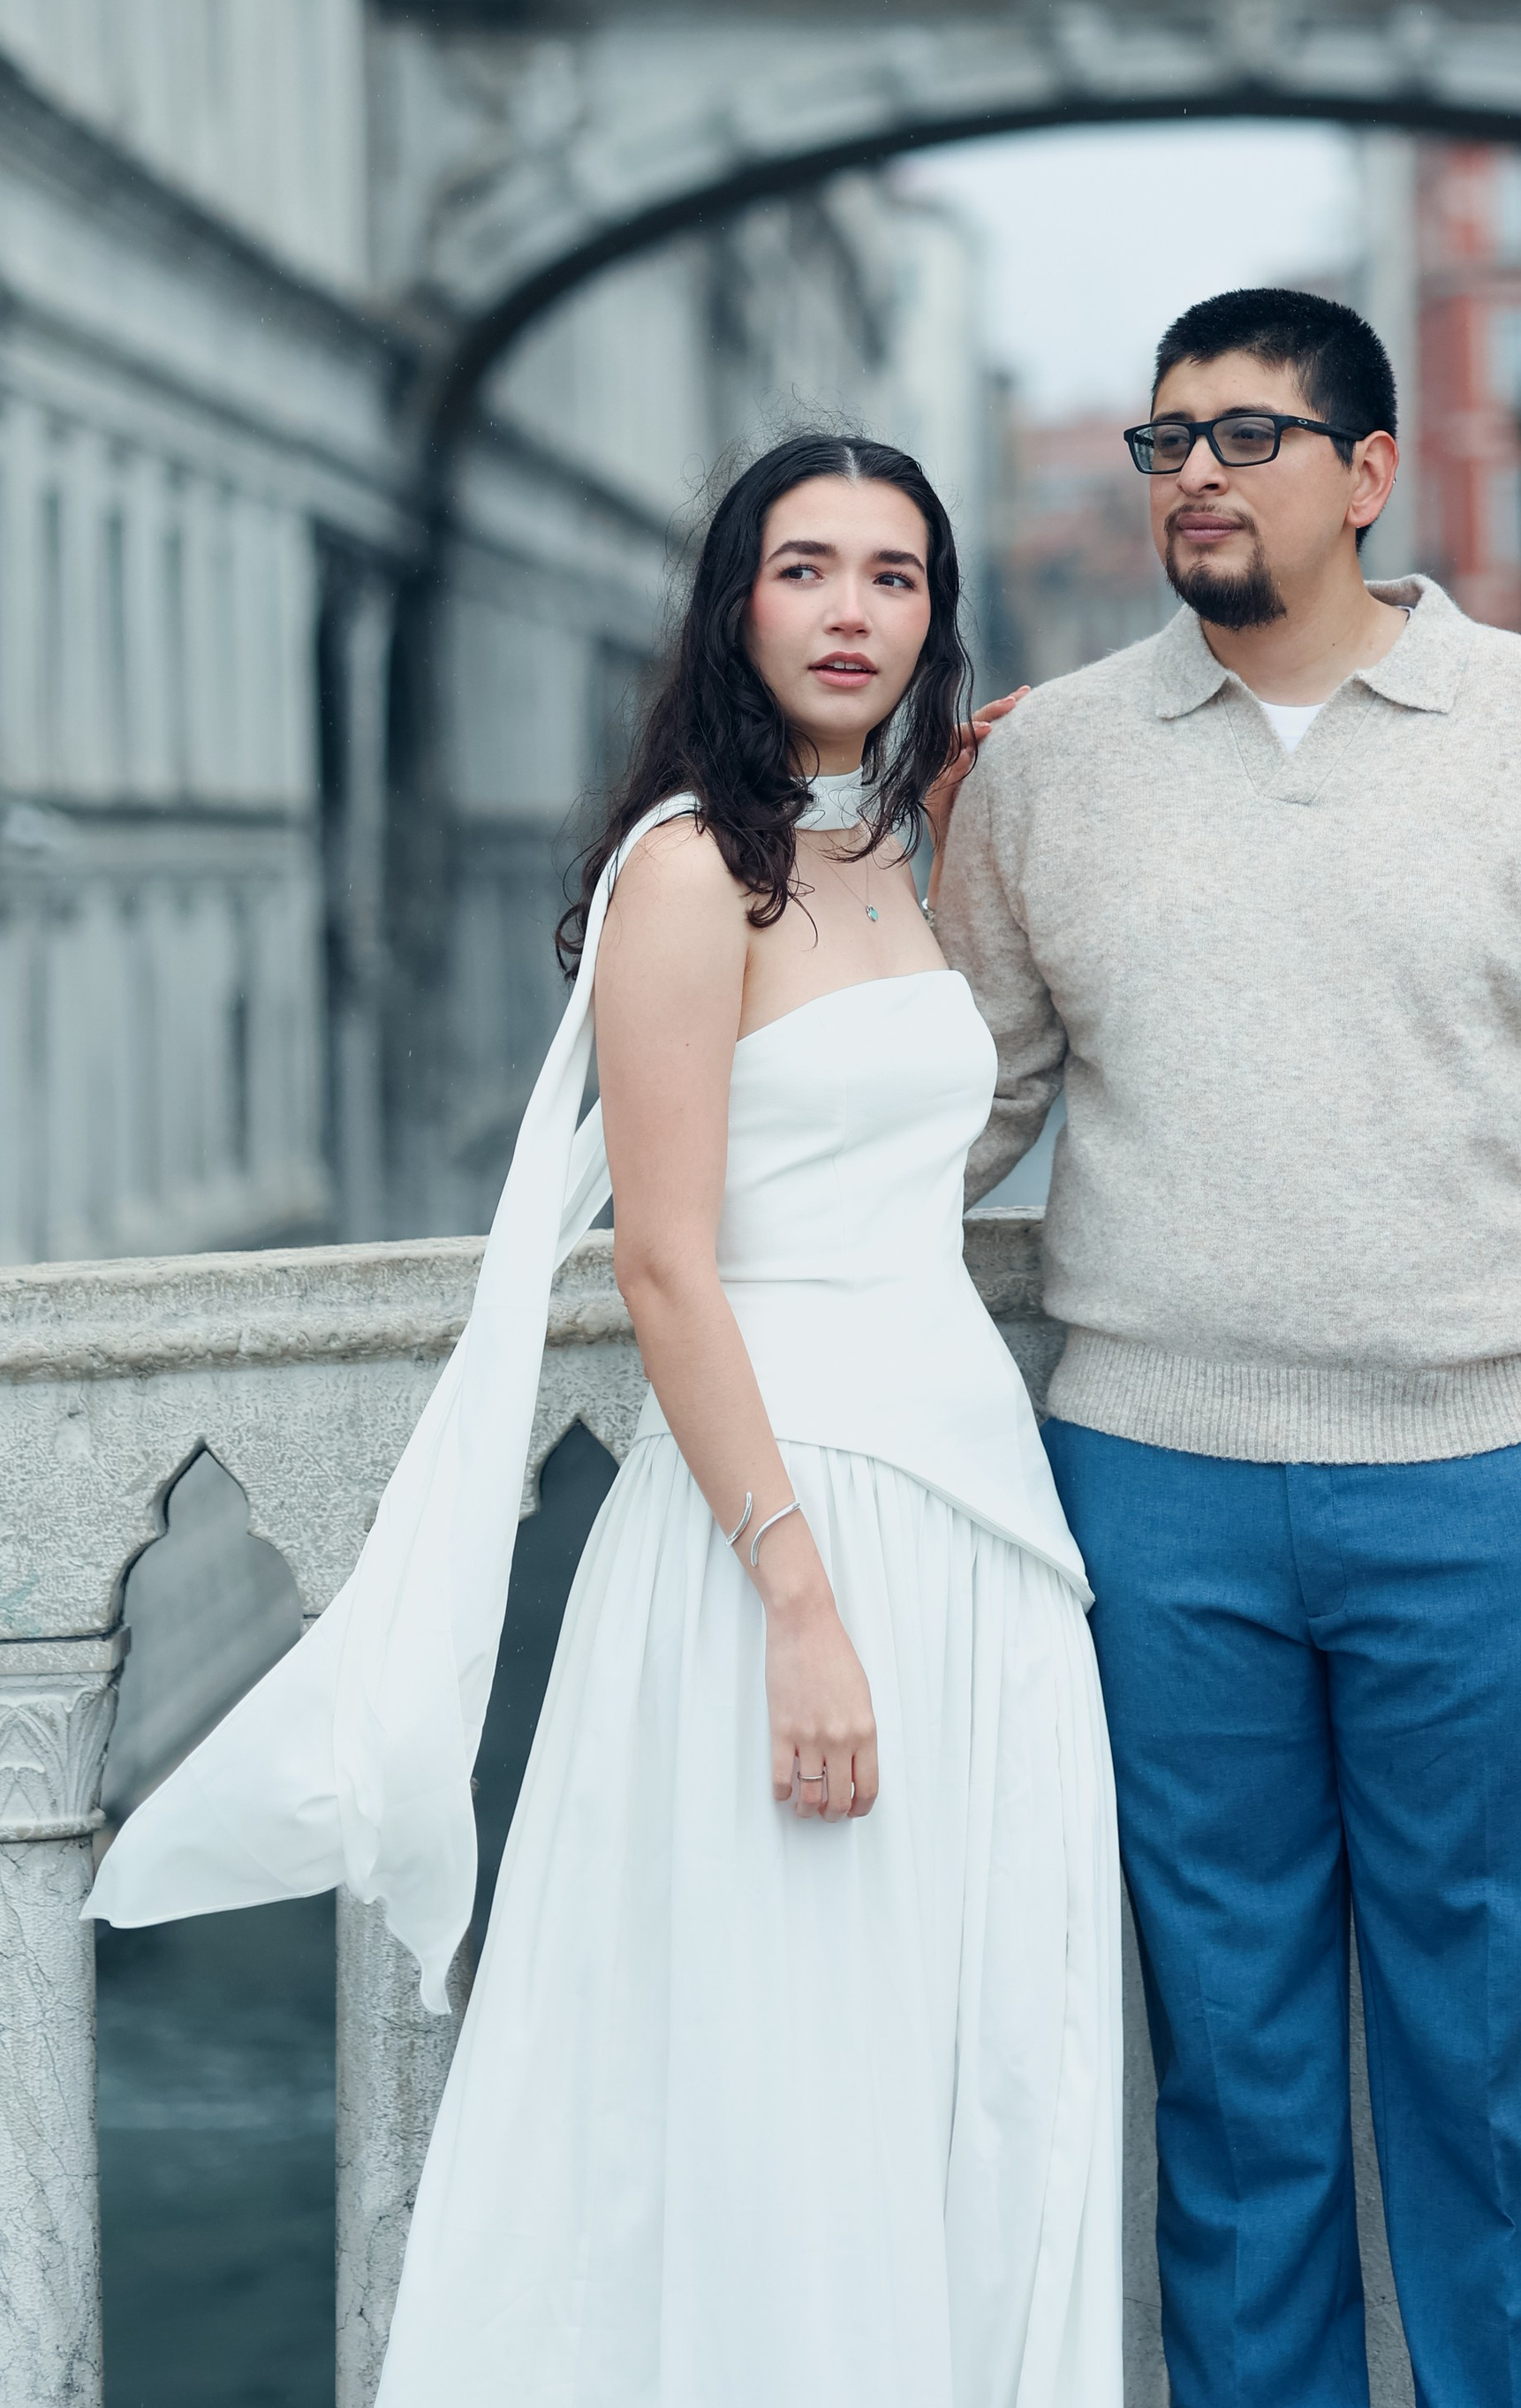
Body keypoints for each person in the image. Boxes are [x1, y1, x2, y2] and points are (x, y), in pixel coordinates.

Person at [91, 431, 1123, 2408]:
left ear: (934, 616)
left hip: (970, 1515)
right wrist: (797, 1605)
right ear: (735, 601)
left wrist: (958, 802)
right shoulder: (686, 870)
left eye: (892, 576)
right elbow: (666, 1268)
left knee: (972, 2060)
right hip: (786, 1528)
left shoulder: (891, 856)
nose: (850, 610)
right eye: (806, 567)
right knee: (782, 2074)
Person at [929, 286, 1521, 2408]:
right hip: (1150, 1495)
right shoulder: (1052, 768)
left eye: (1246, 437)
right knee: (1235, 2099)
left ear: (1367, 478)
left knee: (1492, 2104)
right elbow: (961, 1107)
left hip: (1487, 1499)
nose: (1193, 472)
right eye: (1165, 439)